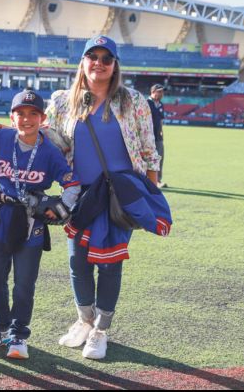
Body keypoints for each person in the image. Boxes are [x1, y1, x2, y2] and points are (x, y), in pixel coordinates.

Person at [44, 35, 168, 360]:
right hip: (80, 196)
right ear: (83, 62)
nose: (98, 63)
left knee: (111, 264)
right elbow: (50, 143)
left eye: (106, 58)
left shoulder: (133, 101)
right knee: (77, 262)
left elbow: (148, 150)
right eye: (92, 56)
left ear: (115, 66)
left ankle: (100, 330)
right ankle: (84, 321)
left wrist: (149, 195)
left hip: (119, 195)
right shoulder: (61, 102)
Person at [0, 90, 80, 360]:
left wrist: (64, 207)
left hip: (32, 221)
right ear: (12, 117)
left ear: (42, 118)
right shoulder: (0, 138)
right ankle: (0, 328)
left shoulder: (49, 151)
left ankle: (19, 334)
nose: (26, 119)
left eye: (32, 114)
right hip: (3, 215)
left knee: (24, 282)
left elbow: (72, 182)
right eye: (20, 113)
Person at [147, 84, 167, 188]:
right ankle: (146, 180)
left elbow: (161, 120)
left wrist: (162, 131)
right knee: (147, 159)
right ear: (153, 91)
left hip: (158, 137)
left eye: (162, 92)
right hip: (146, 137)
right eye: (159, 91)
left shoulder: (161, 105)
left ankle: (157, 180)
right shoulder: (146, 103)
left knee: (159, 158)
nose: (161, 94)